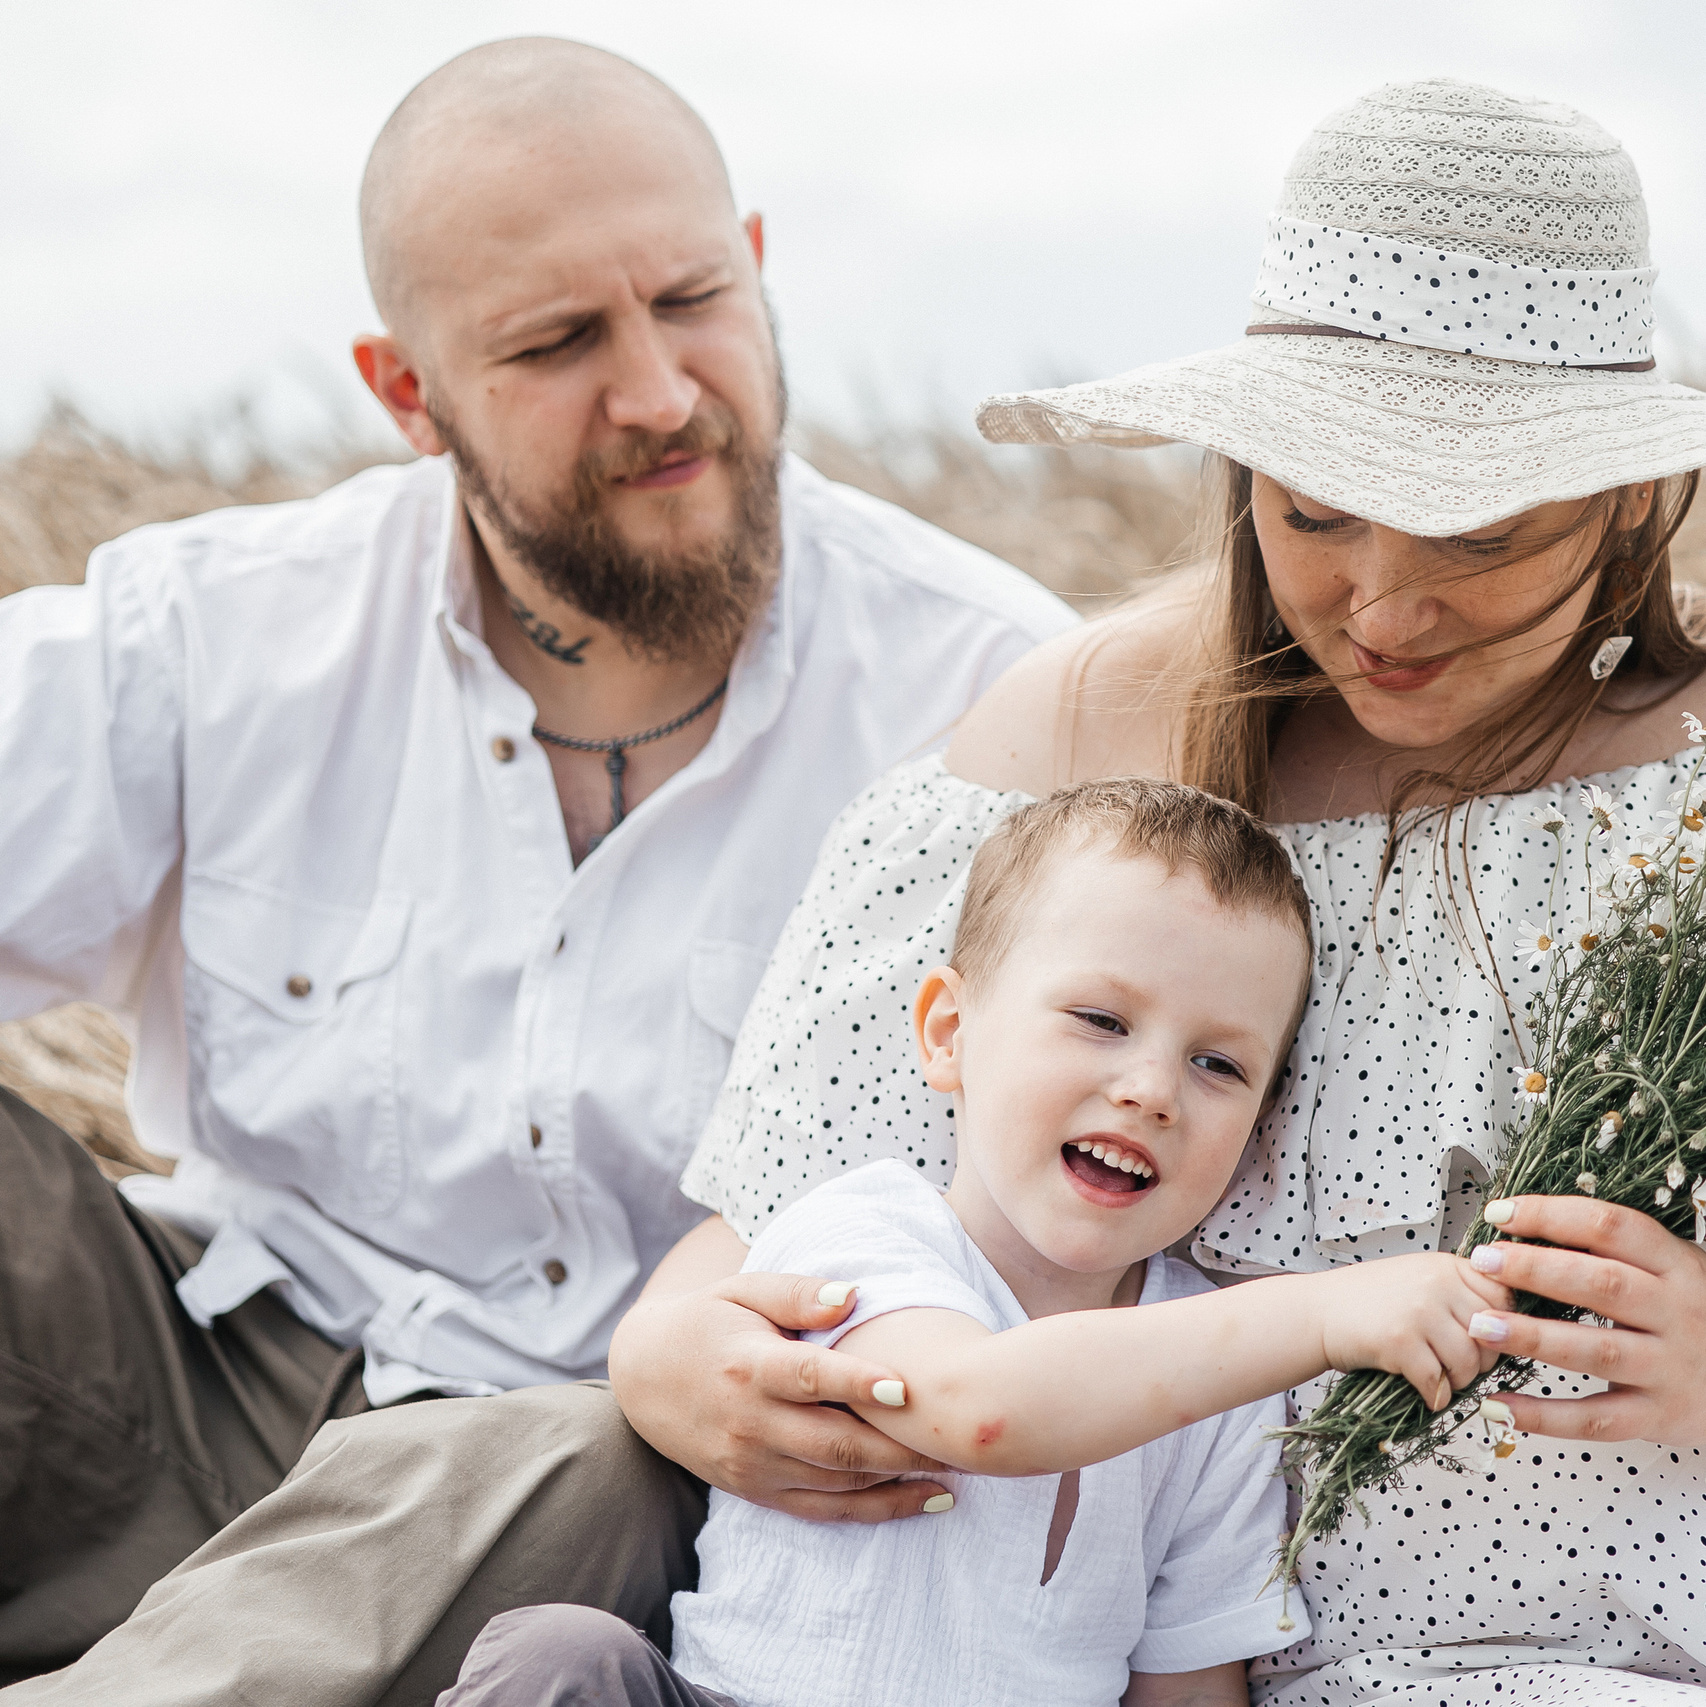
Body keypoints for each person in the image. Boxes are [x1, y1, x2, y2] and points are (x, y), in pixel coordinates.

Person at [0, 34, 1072, 1698]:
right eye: (558, 341)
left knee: (592, 1456)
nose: (656, 391)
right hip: (205, 1382)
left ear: (761, 269)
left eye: (693, 299)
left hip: (612, 1477)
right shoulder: (217, 628)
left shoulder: (993, 703)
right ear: (405, 390)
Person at [616, 79, 1706, 1707]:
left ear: (1626, 495)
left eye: (1478, 530)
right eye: (1316, 510)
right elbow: (787, 1203)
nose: (1384, 602)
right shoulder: (1085, 733)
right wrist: (671, 1359)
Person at [435, 779, 1513, 1707]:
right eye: (1099, 1019)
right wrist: (1320, 1313)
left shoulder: (1223, 1378)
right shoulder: (862, 1231)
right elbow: (979, 1408)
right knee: (559, 1658)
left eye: (1217, 1066)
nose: (1148, 1090)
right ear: (948, 1033)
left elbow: (1185, 1679)